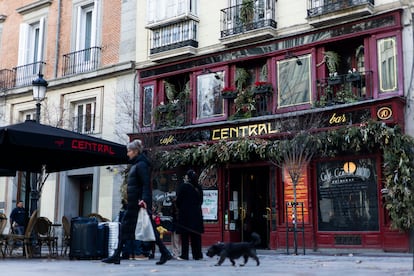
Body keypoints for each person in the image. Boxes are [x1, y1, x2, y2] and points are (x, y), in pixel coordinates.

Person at [102, 139, 172, 265]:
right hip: (134, 203)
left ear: (135, 151)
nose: (127, 154)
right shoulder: (136, 164)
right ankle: (164, 252)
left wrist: (144, 200)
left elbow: (146, 184)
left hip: (138, 204)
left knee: (130, 227)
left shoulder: (141, 165)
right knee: (128, 228)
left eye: (129, 151)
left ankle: (117, 255)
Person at [176, 170, 204, 260]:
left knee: (185, 236)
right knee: (196, 235)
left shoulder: (183, 187)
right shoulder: (198, 187)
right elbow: (201, 201)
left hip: (185, 215)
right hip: (197, 215)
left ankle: (185, 255)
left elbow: (178, 201)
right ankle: (198, 255)